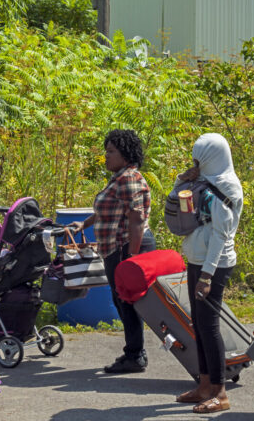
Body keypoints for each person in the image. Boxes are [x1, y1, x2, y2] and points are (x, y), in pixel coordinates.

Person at [67, 129, 157, 373]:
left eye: (111, 151)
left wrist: (132, 259)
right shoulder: (120, 178)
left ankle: (135, 355)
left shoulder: (128, 178)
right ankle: (135, 352)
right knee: (122, 301)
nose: (105, 156)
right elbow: (108, 208)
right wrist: (83, 224)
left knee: (126, 301)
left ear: (125, 155)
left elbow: (137, 219)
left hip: (126, 247)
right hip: (116, 249)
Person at [173, 133, 242, 414]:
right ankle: (204, 385)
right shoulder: (204, 182)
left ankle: (221, 392)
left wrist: (207, 276)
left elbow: (219, 237)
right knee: (197, 324)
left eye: (200, 160)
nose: (196, 164)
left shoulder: (227, 188)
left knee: (209, 326)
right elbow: (180, 202)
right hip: (197, 260)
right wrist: (182, 179)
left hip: (214, 264)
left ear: (214, 158)